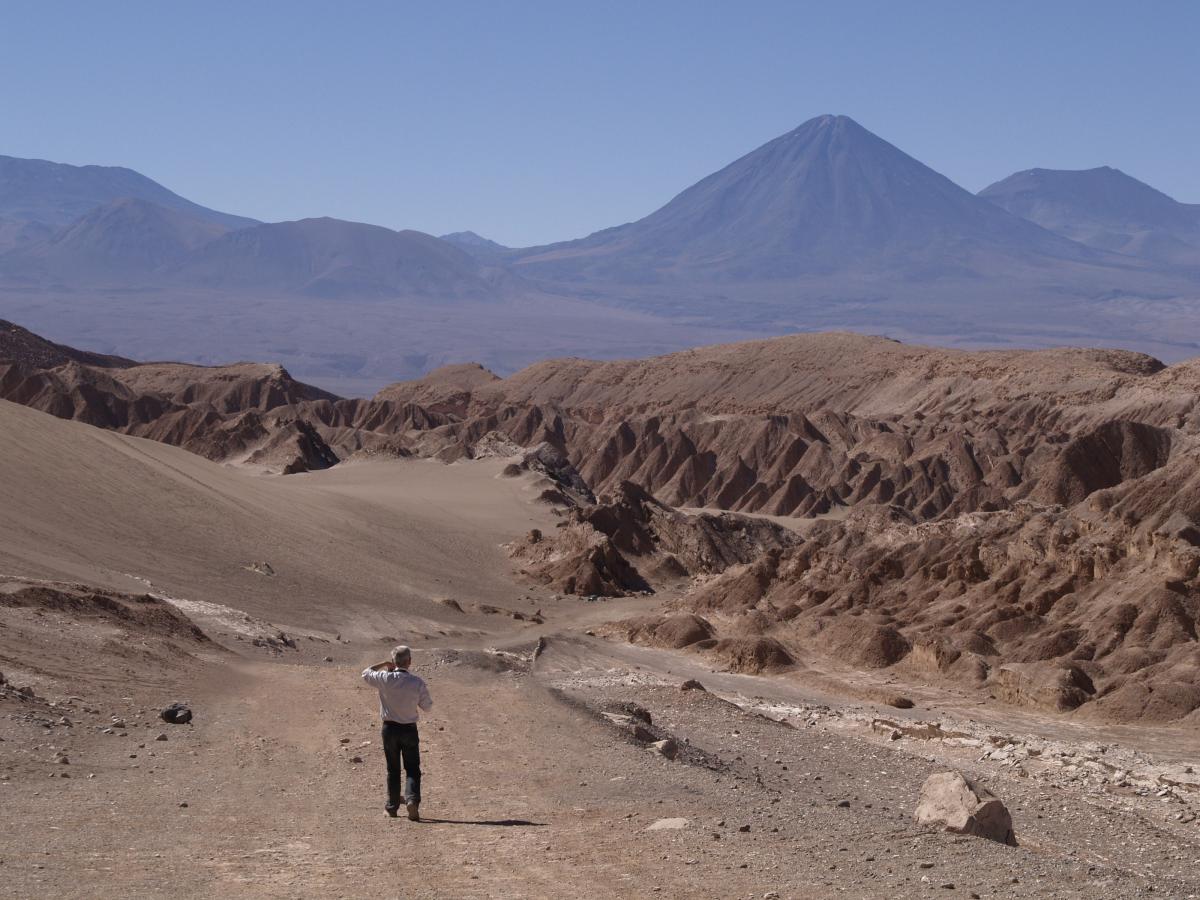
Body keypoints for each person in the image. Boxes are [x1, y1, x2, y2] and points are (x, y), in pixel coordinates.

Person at [361, 645, 433, 820]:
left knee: (393, 770)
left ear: (394, 662)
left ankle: (392, 807)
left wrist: (384, 664)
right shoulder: (417, 682)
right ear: (409, 662)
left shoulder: (384, 678)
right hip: (409, 729)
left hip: (389, 729)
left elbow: (365, 673)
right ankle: (412, 800)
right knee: (412, 769)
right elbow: (428, 707)